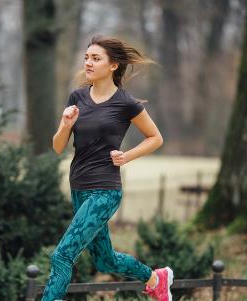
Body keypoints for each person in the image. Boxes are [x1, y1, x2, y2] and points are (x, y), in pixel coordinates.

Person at [44, 35, 173, 301]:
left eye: (95, 58)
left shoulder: (126, 103)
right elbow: (57, 147)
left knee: (62, 255)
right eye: (87, 57)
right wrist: (66, 125)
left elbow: (155, 138)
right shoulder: (77, 96)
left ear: (113, 65)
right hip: (79, 187)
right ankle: (155, 279)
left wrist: (126, 156)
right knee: (105, 261)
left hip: (105, 191)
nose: (88, 63)